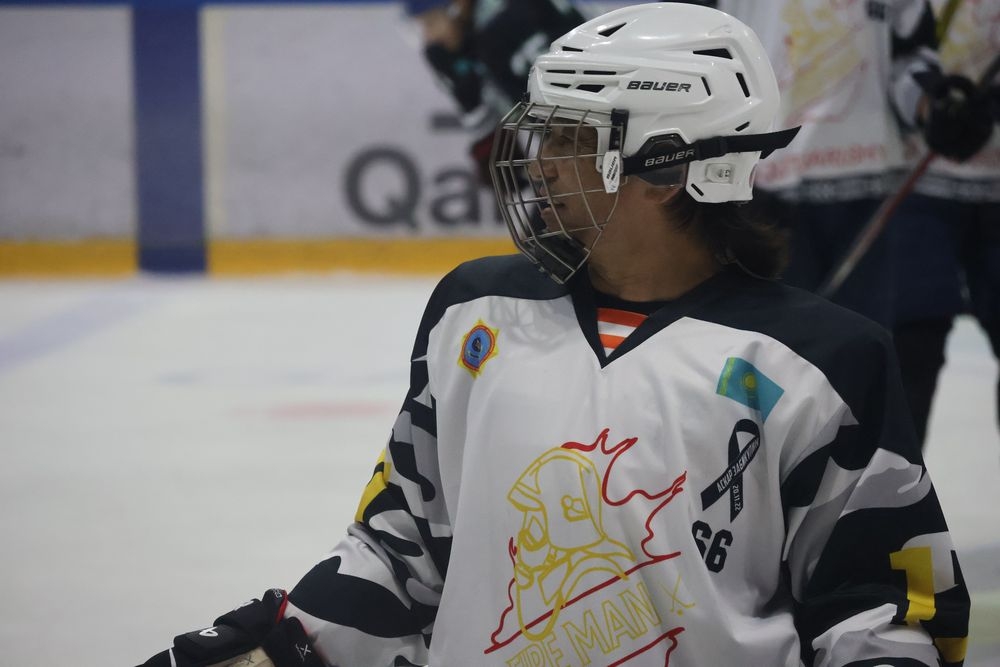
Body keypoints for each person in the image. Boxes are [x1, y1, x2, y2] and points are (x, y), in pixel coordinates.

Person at [140, 4, 971, 666]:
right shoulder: (474, 313)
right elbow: (400, 550)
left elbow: (881, 614)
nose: (537, 162)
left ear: (665, 168)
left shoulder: (825, 365)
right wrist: (284, 645)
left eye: (570, 137)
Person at [668, 0, 966, 329]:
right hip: (756, 189)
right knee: (767, 342)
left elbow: (908, 54)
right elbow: (693, 49)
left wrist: (931, 106)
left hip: (868, 193)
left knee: (860, 341)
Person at [890, 0, 999, 448]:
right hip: (913, 185)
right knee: (911, 349)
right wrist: (927, 102)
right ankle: (895, 488)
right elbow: (889, 48)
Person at [404, 0, 584, 186]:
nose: (429, 37)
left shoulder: (512, 19)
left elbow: (569, 109)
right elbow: (496, 108)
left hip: (589, 130)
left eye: (431, 23)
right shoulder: (461, 45)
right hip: (573, 137)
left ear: (458, 6)